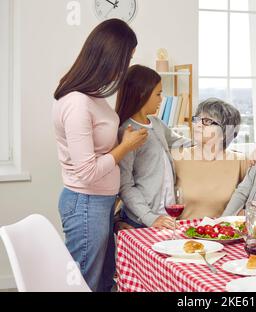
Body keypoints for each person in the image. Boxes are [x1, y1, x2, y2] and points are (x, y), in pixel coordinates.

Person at [52, 19, 148, 291]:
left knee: (105, 282)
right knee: (86, 284)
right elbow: (87, 171)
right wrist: (125, 146)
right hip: (86, 202)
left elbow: (98, 148)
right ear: (110, 57)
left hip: (100, 201)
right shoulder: (77, 103)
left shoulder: (93, 96)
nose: (126, 65)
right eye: (126, 58)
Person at [115, 65, 191, 229]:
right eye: (158, 94)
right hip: (142, 220)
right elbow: (125, 185)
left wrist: (211, 140)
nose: (161, 99)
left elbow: (179, 141)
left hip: (166, 218)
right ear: (142, 94)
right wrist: (149, 218)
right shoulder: (127, 132)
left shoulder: (156, 123)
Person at [174, 98, 250, 220]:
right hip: (183, 233)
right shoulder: (177, 158)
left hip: (222, 234)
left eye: (208, 121)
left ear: (226, 131)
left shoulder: (240, 161)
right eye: (197, 119)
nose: (198, 125)